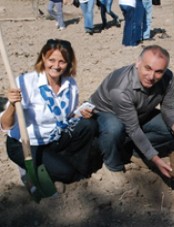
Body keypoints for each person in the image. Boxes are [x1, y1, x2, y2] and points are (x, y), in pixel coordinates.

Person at [0, 39, 101, 186]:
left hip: (54, 138)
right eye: (51, 60)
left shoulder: (70, 84)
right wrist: (13, 106)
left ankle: (61, 164)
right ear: (43, 58)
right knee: (67, 173)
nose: (56, 66)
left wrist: (81, 113)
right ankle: (28, 167)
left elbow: (68, 116)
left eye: (62, 61)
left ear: (69, 63)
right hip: (27, 145)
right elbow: (5, 124)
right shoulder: (26, 82)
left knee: (89, 125)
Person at [90, 45, 174, 178]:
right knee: (114, 128)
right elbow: (133, 129)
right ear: (138, 63)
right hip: (105, 115)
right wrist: (155, 159)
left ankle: (134, 153)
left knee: (169, 129)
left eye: (159, 71)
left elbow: (168, 106)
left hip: (137, 114)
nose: (151, 76)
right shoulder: (121, 88)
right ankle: (114, 166)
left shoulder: (168, 78)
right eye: (147, 68)